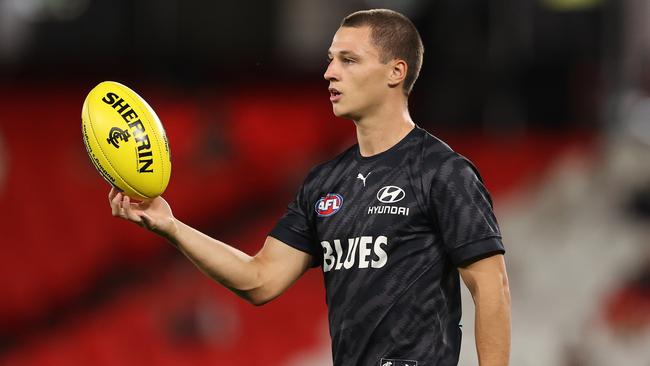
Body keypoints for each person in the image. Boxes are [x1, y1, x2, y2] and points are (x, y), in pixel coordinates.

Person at [109, 9, 511, 366]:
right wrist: (172, 226)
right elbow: (260, 279)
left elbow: (490, 286)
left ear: (396, 71)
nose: (329, 72)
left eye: (348, 60)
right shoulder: (324, 183)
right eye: (330, 59)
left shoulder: (442, 171)